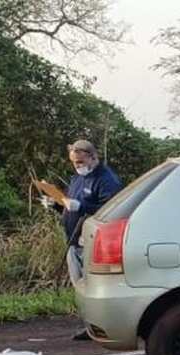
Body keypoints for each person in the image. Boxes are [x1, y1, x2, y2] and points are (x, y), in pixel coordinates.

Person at [40, 139, 123, 338]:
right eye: (74, 163)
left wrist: (82, 207)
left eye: (80, 162)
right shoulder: (77, 178)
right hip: (73, 240)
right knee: (80, 287)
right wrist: (56, 205)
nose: (77, 166)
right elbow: (71, 206)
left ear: (93, 157)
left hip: (94, 243)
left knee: (93, 287)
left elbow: (112, 211)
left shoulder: (106, 179)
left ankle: (104, 327)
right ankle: (90, 326)